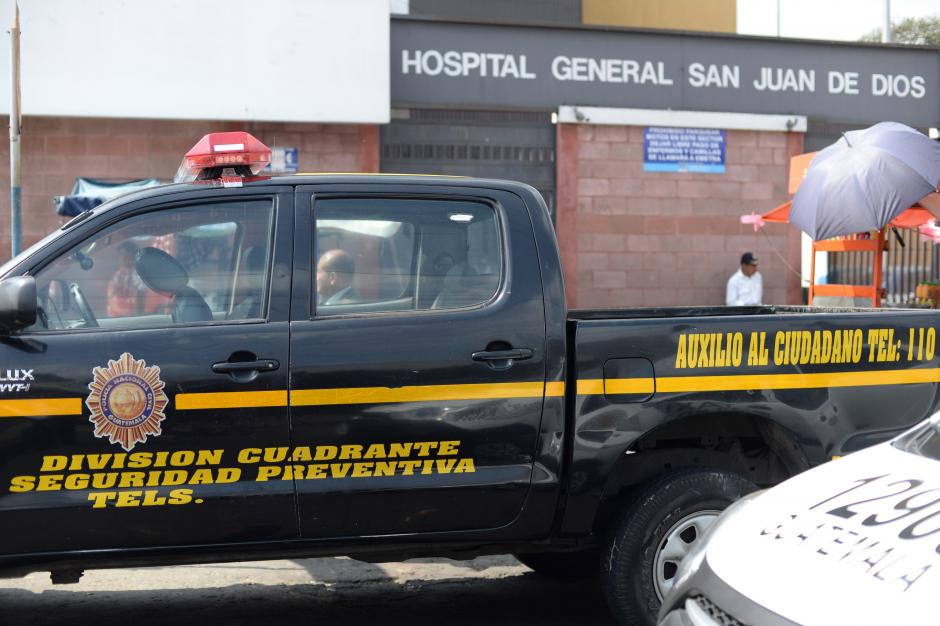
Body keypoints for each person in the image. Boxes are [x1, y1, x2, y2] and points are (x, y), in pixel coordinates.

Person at [107, 241, 145, 317]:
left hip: (130, 318)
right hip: (115, 316)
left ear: (132, 256)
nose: (121, 258)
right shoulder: (119, 273)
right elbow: (111, 294)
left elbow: (139, 298)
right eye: (120, 255)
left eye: (125, 255)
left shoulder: (139, 275)